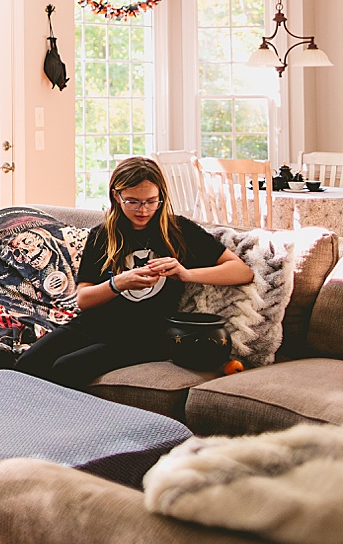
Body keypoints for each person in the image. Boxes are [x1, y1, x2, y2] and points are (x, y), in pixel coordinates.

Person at [15, 156, 252, 388]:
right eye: (132, 201)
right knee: (26, 365)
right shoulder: (102, 234)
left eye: (151, 201)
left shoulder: (179, 230)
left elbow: (241, 272)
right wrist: (118, 283)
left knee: (66, 368)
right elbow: (84, 300)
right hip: (95, 323)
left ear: (161, 197)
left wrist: (185, 273)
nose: (143, 210)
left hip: (148, 333)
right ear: (116, 196)